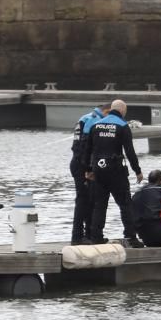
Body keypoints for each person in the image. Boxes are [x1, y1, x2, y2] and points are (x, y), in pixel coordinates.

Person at [81, 99, 144, 247]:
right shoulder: (122, 125)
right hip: (116, 171)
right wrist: (137, 171)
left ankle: (96, 237)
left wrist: (88, 170)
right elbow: (130, 151)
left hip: (98, 170)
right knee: (125, 204)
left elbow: (88, 149)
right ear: (122, 110)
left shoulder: (96, 125)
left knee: (100, 205)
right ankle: (131, 237)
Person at [68, 103, 110, 245]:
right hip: (82, 166)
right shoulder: (94, 120)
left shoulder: (85, 118)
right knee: (83, 201)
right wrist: (88, 169)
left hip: (81, 164)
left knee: (90, 200)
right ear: (106, 111)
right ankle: (77, 237)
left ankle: (90, 234)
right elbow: (84, 147)